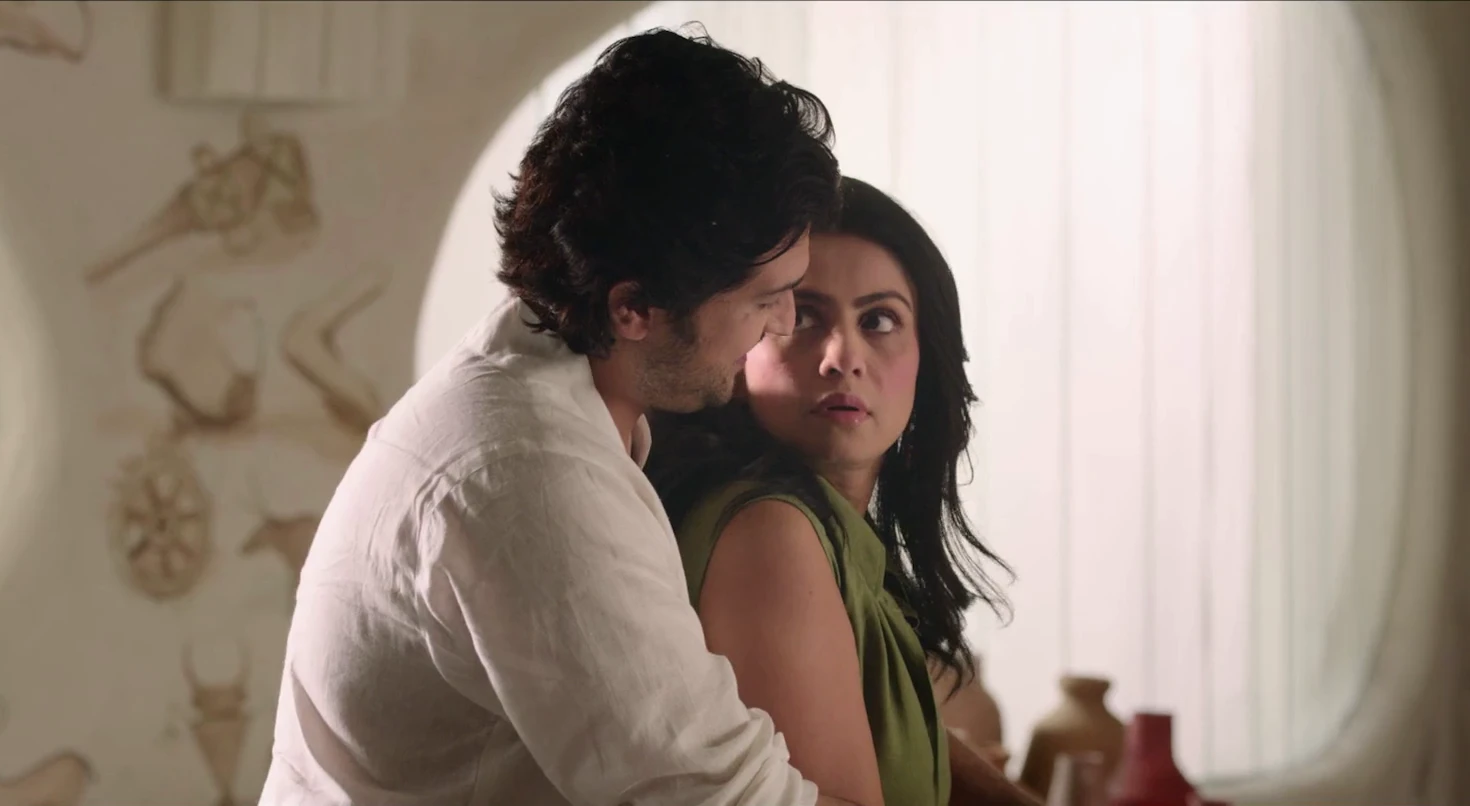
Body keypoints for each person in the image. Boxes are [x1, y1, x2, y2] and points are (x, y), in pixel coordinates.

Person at [259, 28, 870, 806]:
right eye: (763, 299)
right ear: (634, 308)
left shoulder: (539, 382)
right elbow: (711, 799)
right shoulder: (533, 478)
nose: (783, 323)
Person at [647, 178, 1040, 806]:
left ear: (925, 362)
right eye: (802, 315)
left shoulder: (833, 535)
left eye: (879, 320)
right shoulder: (770, 532)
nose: (842, 357)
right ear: (737, 350)